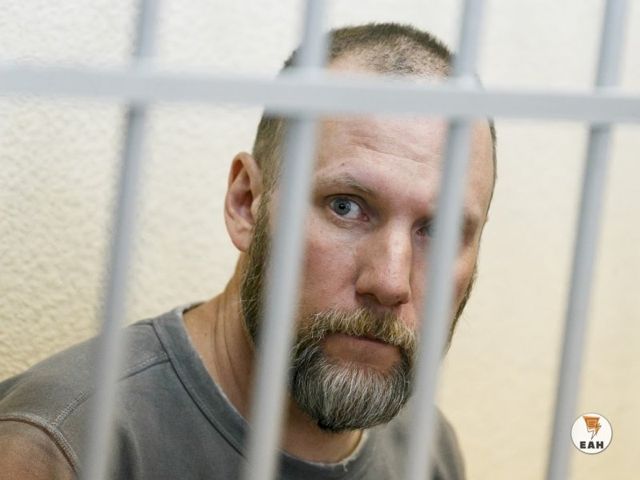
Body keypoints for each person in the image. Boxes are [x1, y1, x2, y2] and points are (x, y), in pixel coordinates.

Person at [0, 23, 496, 479]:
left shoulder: (427, 450)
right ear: (245, 203)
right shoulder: (58, 448)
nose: (390, 281)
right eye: (345, 206)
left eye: (441, 230)